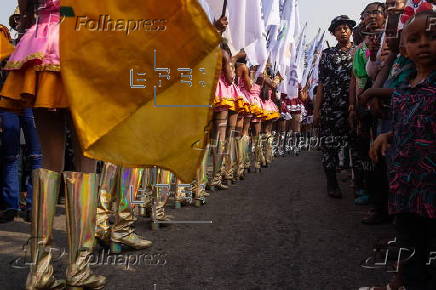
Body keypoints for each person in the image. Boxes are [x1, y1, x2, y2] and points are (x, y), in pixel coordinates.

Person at [0, 1, 106, 288]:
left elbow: (28, 11)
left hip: (42, 41)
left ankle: (39, 271)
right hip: (80, 41)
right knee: (86, 160)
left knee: (49, 161)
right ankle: (78, 268)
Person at [367, 10, 436, 290]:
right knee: (409, 241)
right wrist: (388, 135)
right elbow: (415, 124)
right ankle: (405, 280)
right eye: (415, 39)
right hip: (406, 187)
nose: (423, 44)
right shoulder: (405, 90)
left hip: (431, 188)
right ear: (403, 49)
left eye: (432, 37)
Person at [0, 9, 42, 224]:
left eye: (21, 16)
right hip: (8, 104)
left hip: (31, 104)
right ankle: (10, 206)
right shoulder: (6, 42)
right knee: (10, 156)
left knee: (36, 156)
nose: (19, 20)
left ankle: (35, 207)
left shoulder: (43, 38)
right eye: (15, 18)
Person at [313, 15, 356, 198]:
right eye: (339, 29)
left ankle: (360, 185)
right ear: (333, 33)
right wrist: (316, 110)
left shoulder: (359, 52)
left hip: (353, 107)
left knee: (356, 147)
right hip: (331, 108)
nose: (343, 31)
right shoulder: (327, 54)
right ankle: (332, 183)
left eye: (346, 28)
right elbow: (321, 83)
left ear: (351, 31)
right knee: (329, 147)